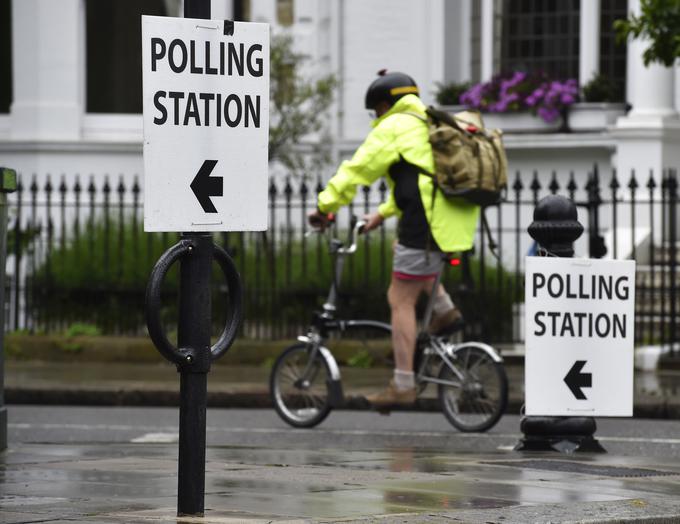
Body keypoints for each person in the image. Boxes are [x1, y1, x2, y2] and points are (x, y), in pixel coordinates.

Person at [308, 70, 480, 408]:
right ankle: (445, 311)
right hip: (449, 222)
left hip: (424, 224)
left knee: (399, 298)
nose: (376, 117)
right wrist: (381, 215)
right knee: (404, 255)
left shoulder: (395, 126)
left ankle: (403, 383)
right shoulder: (426, 122)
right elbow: (418, 180)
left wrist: (324, 206)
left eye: (376, 110)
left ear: (386, 103)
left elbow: (358, 169)